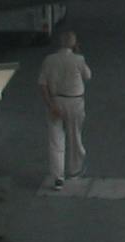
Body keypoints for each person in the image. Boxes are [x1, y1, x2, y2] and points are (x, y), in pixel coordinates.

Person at [37, 28, 91, 191]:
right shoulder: (79, 59)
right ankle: (74, 171)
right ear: (74, 44)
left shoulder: (49, 60)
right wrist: (79, 53)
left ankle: (58, 178)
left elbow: (42, 84)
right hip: (75, 102)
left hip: (56, 101)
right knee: (75, 136)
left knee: (56, 140)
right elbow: (88, 76)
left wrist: (51, 105)